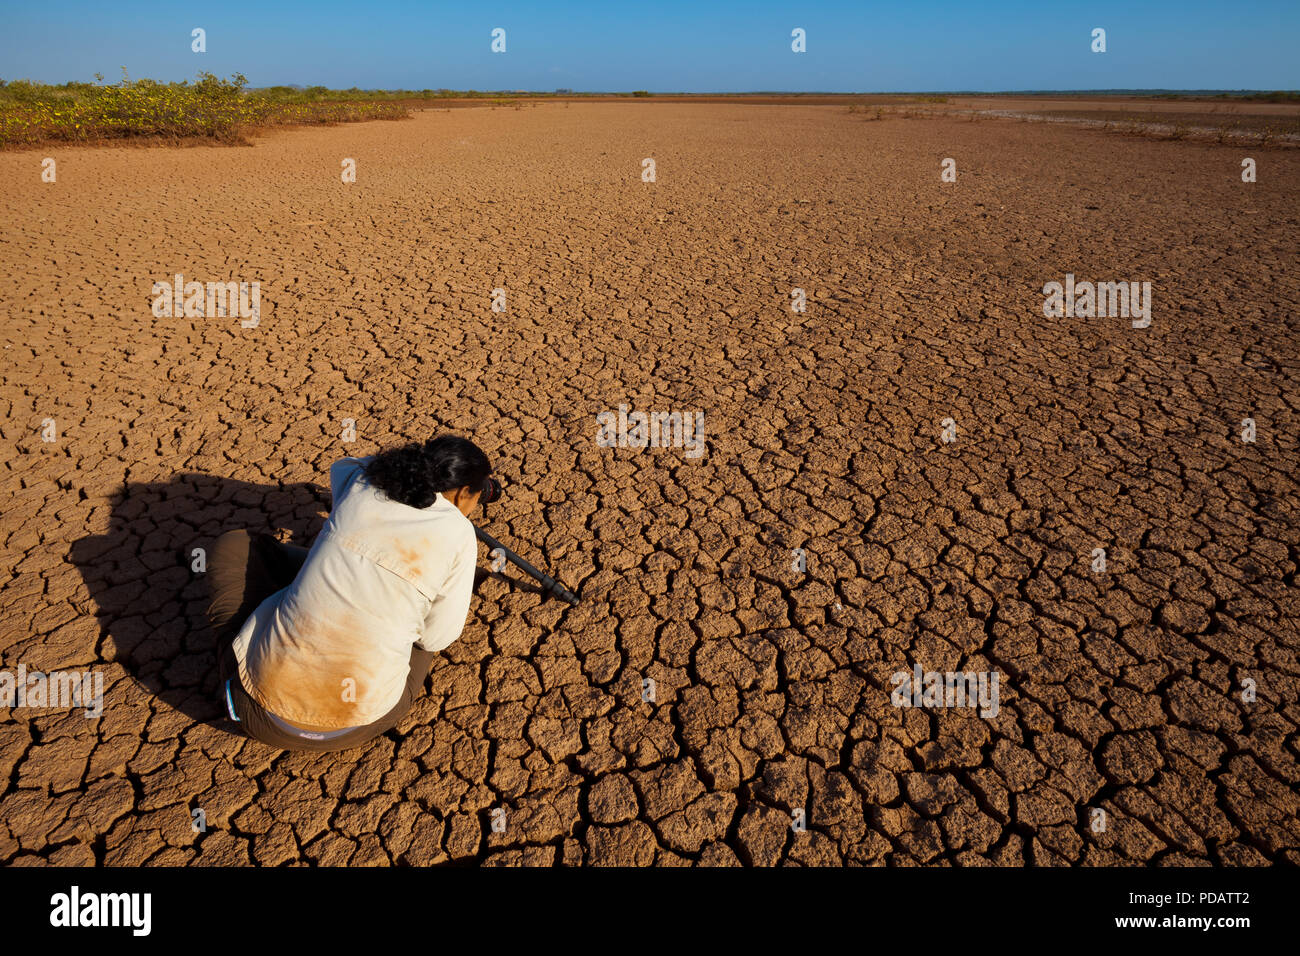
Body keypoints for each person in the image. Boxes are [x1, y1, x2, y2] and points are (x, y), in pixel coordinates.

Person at [205, 435, 493, 751]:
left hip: (255, 710)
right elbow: (437, 639)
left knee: (235, 546)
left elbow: (341, 467)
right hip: (356, 724)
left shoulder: (365, 481)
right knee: (425, 629)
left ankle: (232, 661)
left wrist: (405, 466)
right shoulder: (460, 534)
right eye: (478, 497)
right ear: (465, 492)